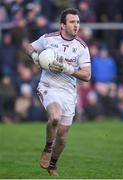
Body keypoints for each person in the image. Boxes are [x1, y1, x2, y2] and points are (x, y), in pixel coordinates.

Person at [26, 8, 91, 176]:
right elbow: (29, 47)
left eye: (77, 22)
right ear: (62, 25)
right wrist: (35, 58)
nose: (76, 25)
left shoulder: (81, 47)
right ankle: (48, 147)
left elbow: (87, 75)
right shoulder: (48, 39)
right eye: (72, 22)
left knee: (62, 137)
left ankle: (52, 164)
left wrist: (68, 69)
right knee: (54, 117)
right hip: (48, 86)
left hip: (68, 93)